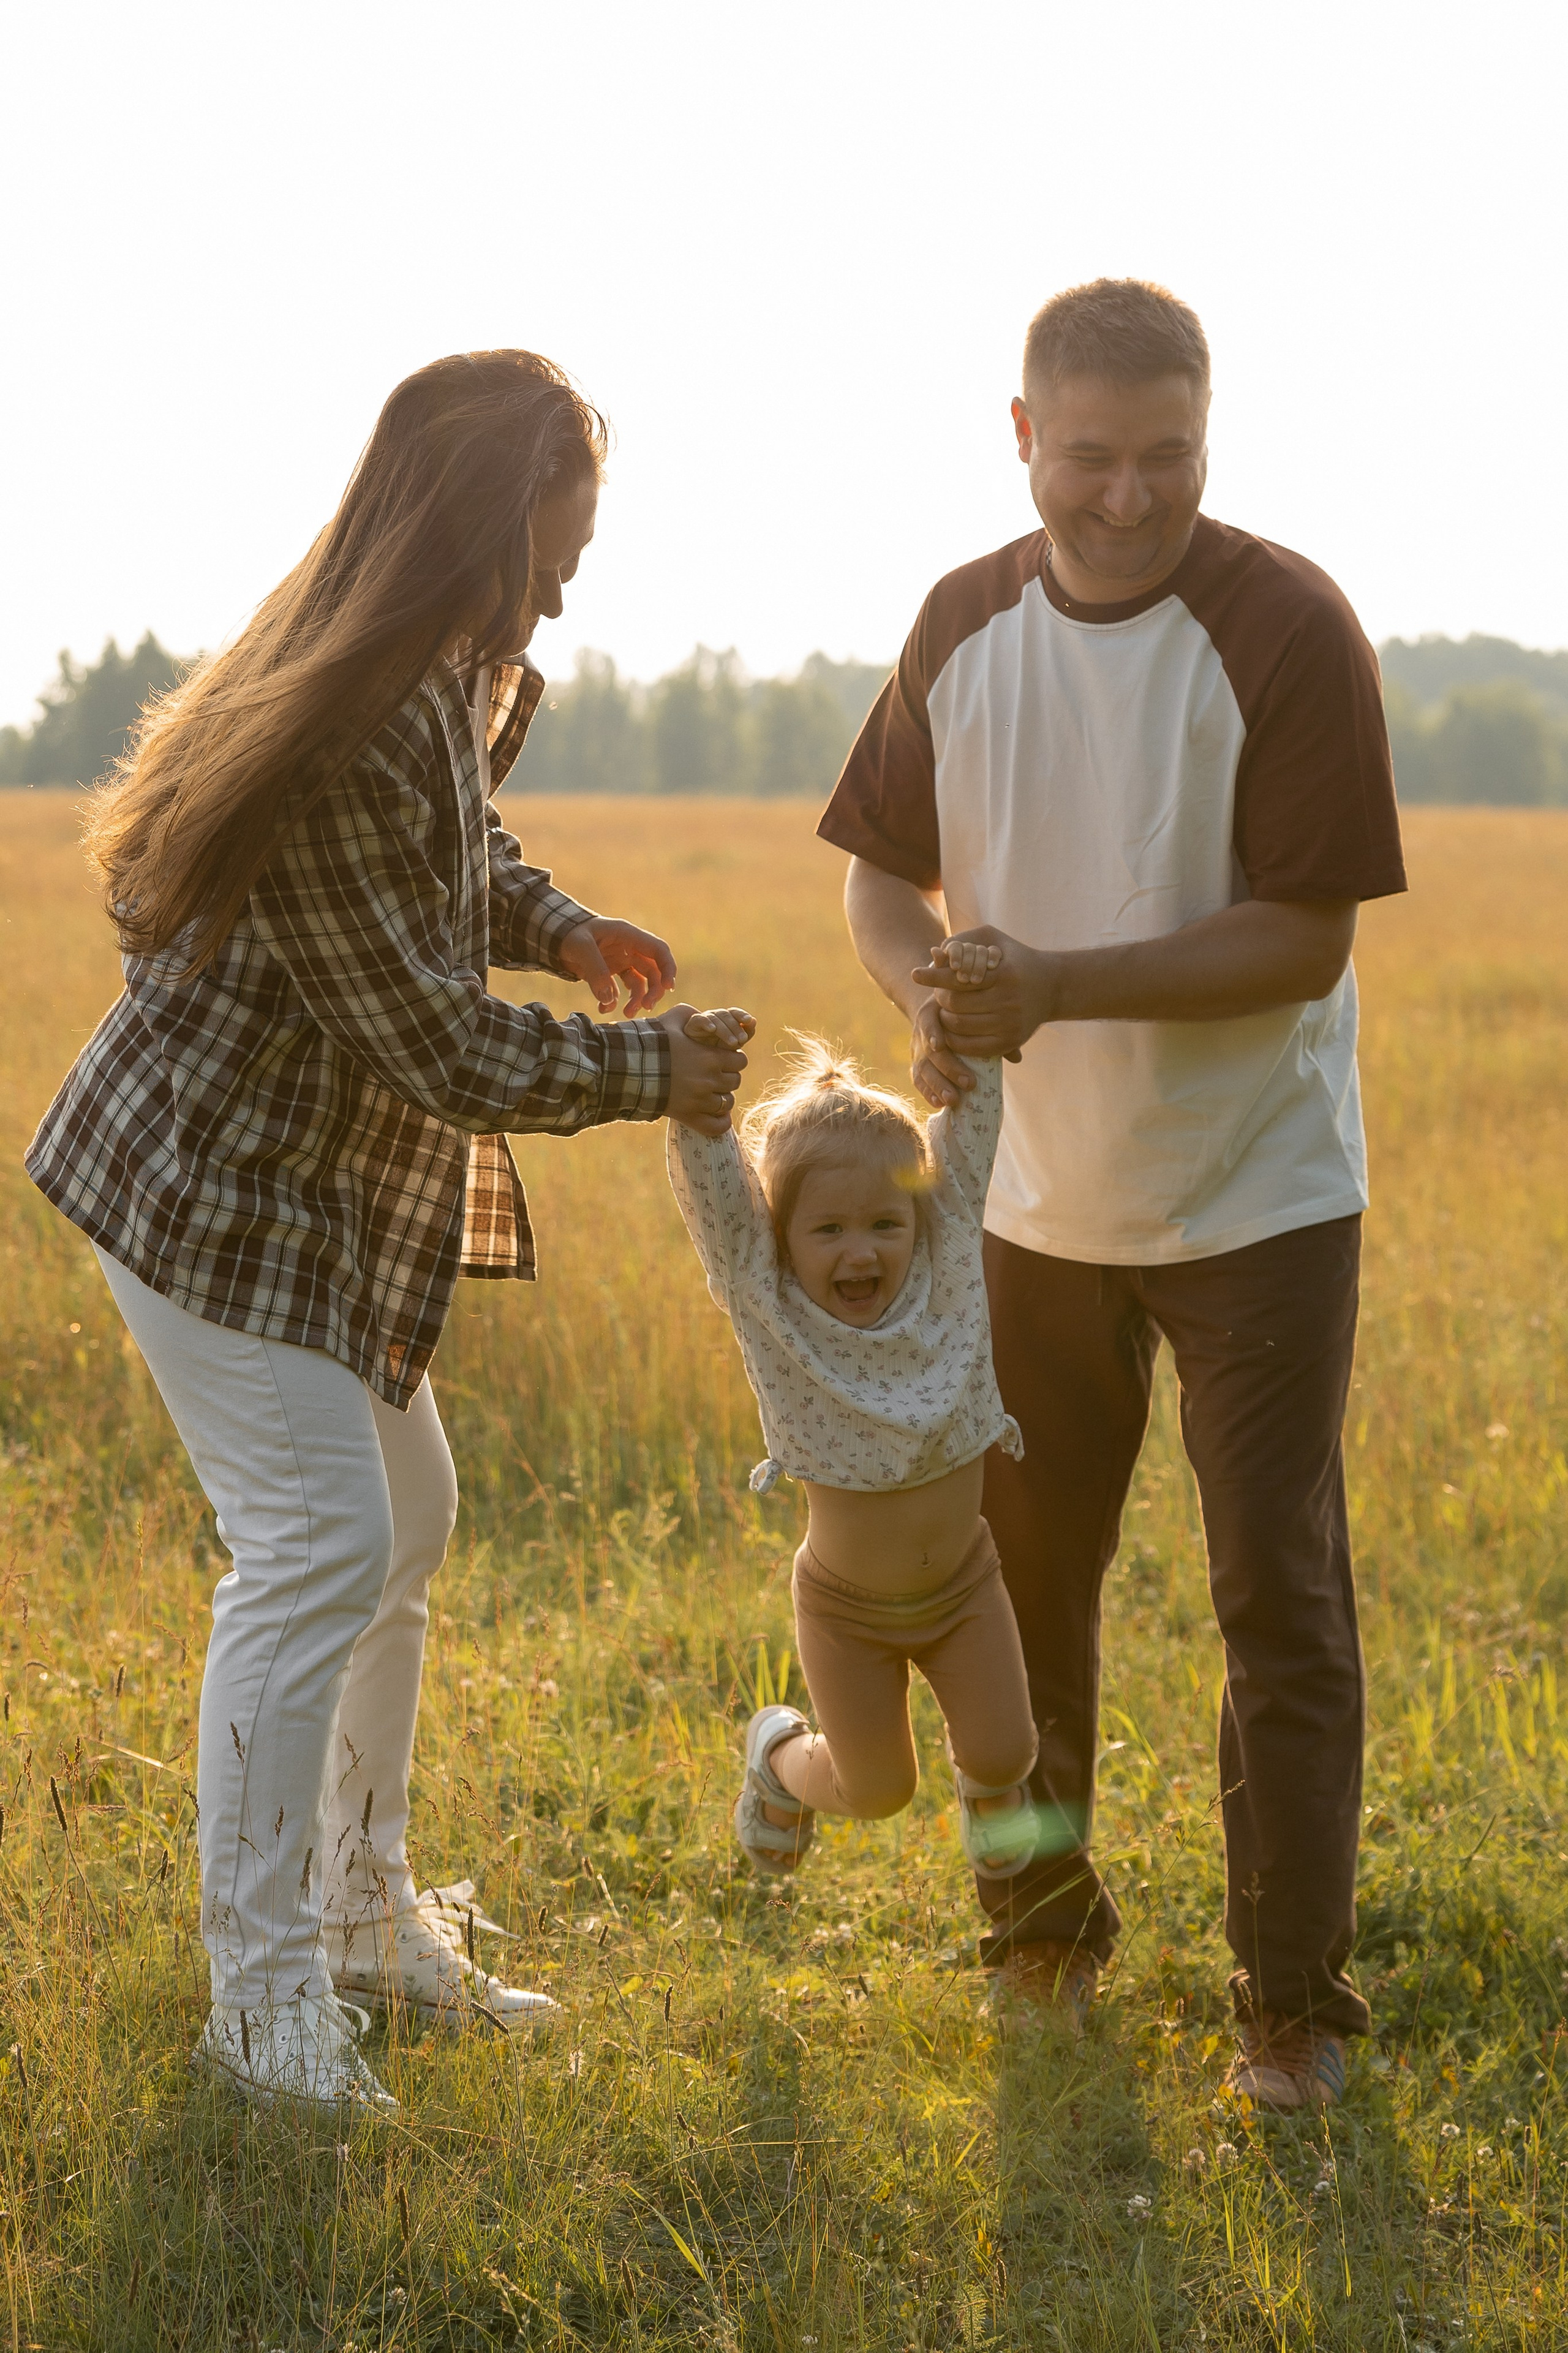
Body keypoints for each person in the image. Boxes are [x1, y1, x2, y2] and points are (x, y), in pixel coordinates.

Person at [26, 350, 747, 2113]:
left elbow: (458, 852)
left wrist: (562, 922)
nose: (572, 583)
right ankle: (262, 2004)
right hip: (207, 1186)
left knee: (403, 1513)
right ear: (481, 530)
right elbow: (429, 1038)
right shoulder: (352, 716)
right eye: (557, 550)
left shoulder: (431, 671)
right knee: (316, 1548)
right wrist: (649, 1068)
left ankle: (360, 1920)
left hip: (307, 1183)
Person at [818, 279, 1406, 2110]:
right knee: (1021, 1589)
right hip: (1031, 1208)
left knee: (1275, 1595)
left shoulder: (1291, 623)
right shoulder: (958, 622)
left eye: (1168, 456)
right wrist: (930, 992)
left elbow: (1302, 941)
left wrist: (1058, 980)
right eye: (1090, 456)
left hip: (1261, 1200)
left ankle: (1289, 2007)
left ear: (1206, 440)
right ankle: (1043, 1937)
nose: (1128, 496)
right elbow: (879, 880)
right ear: (1022, 438)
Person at [666, 967, 1038, 1883]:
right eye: (827, 1229)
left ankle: (994, 1802)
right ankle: (779, 1757)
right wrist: (702, 1102)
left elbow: (973, 1121)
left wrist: (967, 1020)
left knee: (1008, 1751)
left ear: (921, 1216)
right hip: (847, 1612)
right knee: (877, 1788)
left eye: (884, 1222)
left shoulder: (946, 1262)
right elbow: (720, 1204)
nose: (862, 1249)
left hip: (965, 1587)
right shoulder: (769, 1301)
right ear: (782, 1240)